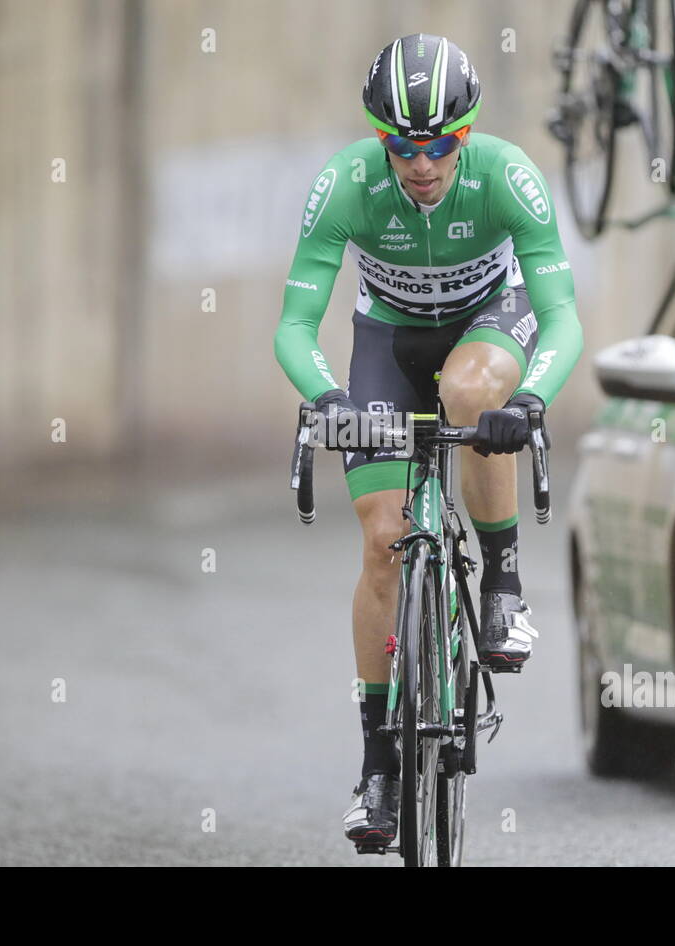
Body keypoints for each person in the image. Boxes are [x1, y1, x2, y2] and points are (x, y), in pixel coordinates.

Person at [273, 33, 583, 848]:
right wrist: (330, 399)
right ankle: (379, 766)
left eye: (440, 144)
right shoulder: (344, 185)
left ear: (466, 134)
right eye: (403, 146)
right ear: (382, 141)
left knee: (471, 394)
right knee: (381, 543)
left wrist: (535, 399)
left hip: (489, 326)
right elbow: (295, 327)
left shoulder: (507, 177)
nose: (421, 163)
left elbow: (561, 317)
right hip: (388, 342)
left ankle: (502, 585)